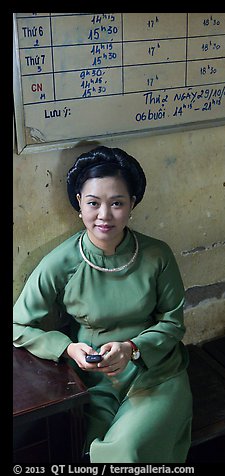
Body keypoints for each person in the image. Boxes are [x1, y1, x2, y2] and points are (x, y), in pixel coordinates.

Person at [13, 146, 193, 463]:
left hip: (155, 373)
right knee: (80, 452)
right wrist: (66, 349)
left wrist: (132, 349)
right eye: (93, 203)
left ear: (132, 204)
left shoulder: (157, 255)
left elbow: (173, 323)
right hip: (93, 381)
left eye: (117, 203)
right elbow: (18, 325)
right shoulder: (60, 262)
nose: (104, 215)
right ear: (79, 204)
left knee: (126, 452)